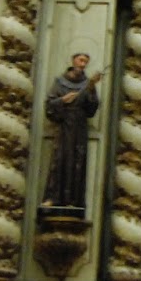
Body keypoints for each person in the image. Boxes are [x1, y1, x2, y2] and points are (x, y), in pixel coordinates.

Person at [42, 52, 102, 211]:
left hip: (79, 128)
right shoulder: (60, 82)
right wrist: (63, 100)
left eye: (86, 62)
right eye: (81, 60)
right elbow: (49, 105)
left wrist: (91, 90)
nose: (83, 64)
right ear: (73, 60)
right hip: (64, 127)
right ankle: (53, 197)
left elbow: (92, 109)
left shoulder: (88, 84)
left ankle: (74, 200)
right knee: (60, 161)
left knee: (77, 163)